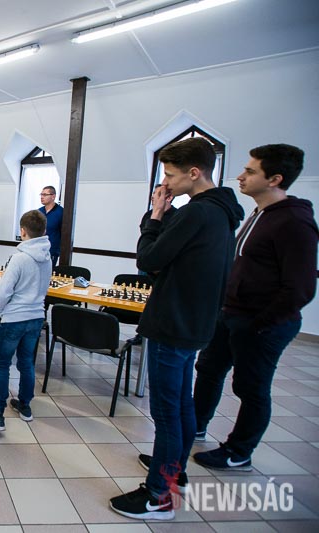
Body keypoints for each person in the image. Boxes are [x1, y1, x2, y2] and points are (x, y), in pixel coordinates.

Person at [109, 137, 244, 521]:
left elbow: (149, 258)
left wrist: (155, 216)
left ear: (194, 172)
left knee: (167, 414)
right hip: (195, 323)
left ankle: (159, 495)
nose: (166, 182)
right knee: (182, 406)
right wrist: (163, 215)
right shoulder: (221, 212)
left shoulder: (196, 213)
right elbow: (178, 253)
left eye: (170, 174)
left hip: (173, 323)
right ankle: (174, 472)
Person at [192, 144, 318, 472]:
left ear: (275, 179)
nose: (240, 176)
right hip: (231, 313)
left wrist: (259, 323)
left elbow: (300, 288)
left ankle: (239, 451)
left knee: (250, 387)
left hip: (261, 322)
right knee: (208, 369)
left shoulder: (295, 222)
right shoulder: (259, 213)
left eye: (250, 171)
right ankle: (195, 426)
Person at [0, 210, 51, 432]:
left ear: (22, 231)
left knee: (2, 364)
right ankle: (24, 405)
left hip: (14, 318)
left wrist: (2, 311)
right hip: (36, 316)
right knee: (26, 362)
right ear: (43, 231)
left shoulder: (19, 258)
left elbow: (2, 292)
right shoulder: (47, 257)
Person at [38, 186, 63, 269]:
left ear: (53, 196)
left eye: (45, 195)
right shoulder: (39, 211)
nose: (42, 197)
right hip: (38, 250)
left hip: (52, 251)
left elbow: (64, 234)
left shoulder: (61, 212)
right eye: (41, 194)